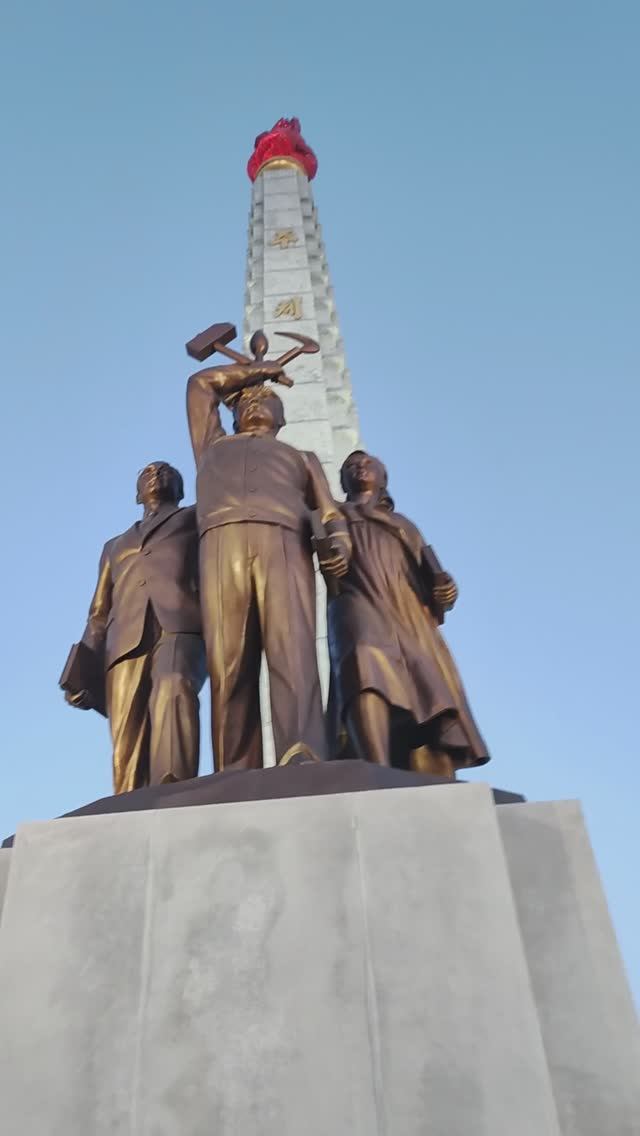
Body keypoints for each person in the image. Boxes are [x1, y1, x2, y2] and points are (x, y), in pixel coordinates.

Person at [186, 333, 349, 770]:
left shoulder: (302, 458)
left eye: (265, 399)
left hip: (285, 542)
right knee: (229, 660)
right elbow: (199, 384)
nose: (255, 403)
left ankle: (302, 751)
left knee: (292, 651)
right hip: (221, 544)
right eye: (245, 400)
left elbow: (330, 513)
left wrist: (339, 543)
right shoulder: (211, 446)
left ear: (282, 416)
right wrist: (256, 372)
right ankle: (235, 766)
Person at [327, 450, 489, 777]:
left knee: (422, 688)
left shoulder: (404, 525)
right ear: (342, 481)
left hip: (407, 613)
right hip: (356, 597)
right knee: (362, 660)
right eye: (351, 467)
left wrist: (445, 590)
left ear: (384, 478)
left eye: (368, 464)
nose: (359, 468)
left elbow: (431, 581)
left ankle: (422, 763)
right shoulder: (334, 514)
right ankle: (375, 767)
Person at [64, 462, 206, 793]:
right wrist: (80, 671)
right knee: (127, 726)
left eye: (165, 471)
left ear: (180, 490)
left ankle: (173, 786)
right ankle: (129, 799)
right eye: (147, 472)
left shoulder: (195, 518)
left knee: (173, 685)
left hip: (180, 626)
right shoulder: (114, 546)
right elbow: (98, 612)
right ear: (137, 494)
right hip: (123, 639)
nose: (156, 473)